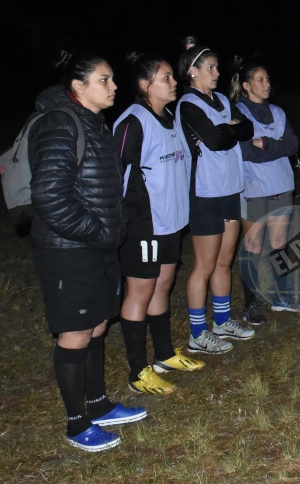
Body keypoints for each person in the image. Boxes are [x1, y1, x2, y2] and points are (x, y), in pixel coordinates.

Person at [30, 54, 146, 451]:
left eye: (112, 79)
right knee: (76, 332)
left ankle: (98, 404)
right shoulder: (60, 123)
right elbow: (49, 194)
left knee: (97, 325)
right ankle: (76, 423)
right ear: (78, 86)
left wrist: (115, 227)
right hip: (69, 249)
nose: (114, 86)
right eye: (104, 80)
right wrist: (96, 231)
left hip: (97, 245)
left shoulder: (93, 123)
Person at [112, 53, 204, 395]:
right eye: (165, 77)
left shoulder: (170, 118)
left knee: (163, 284)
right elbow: (116, 173)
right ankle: (138, 372)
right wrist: (123, 220)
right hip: (143, 224)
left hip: (170, 221)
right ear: (145, 85)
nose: (174, 82)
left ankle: (164, 355)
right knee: (141, 291)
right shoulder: (133, 122)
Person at [178, 38, 256, 354]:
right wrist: (229, 129)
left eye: (217, 67)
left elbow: (248, 129)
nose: (217, 72)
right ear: (193, 72)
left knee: (225, 260)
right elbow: (214, 140)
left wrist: (228, 129)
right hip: (206, 193)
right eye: (210, 67)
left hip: (230, 189)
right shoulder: (188, 104)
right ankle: (197, 333)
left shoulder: (223, 99)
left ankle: (222, 322)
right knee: (205, 265)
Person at [231, 60, 299, 323]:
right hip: (254, 188)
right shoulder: (238, 113)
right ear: (246, 86)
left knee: (280, 243)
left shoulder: (278, 112)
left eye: (267, 78)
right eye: (260, 79)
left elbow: (292, 145)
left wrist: (267, 143)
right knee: (254, 247)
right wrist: (275, 146)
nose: (266, 83)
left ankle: (281, 297)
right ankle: (251, 304)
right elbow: (246, 152)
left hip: (282, 185)